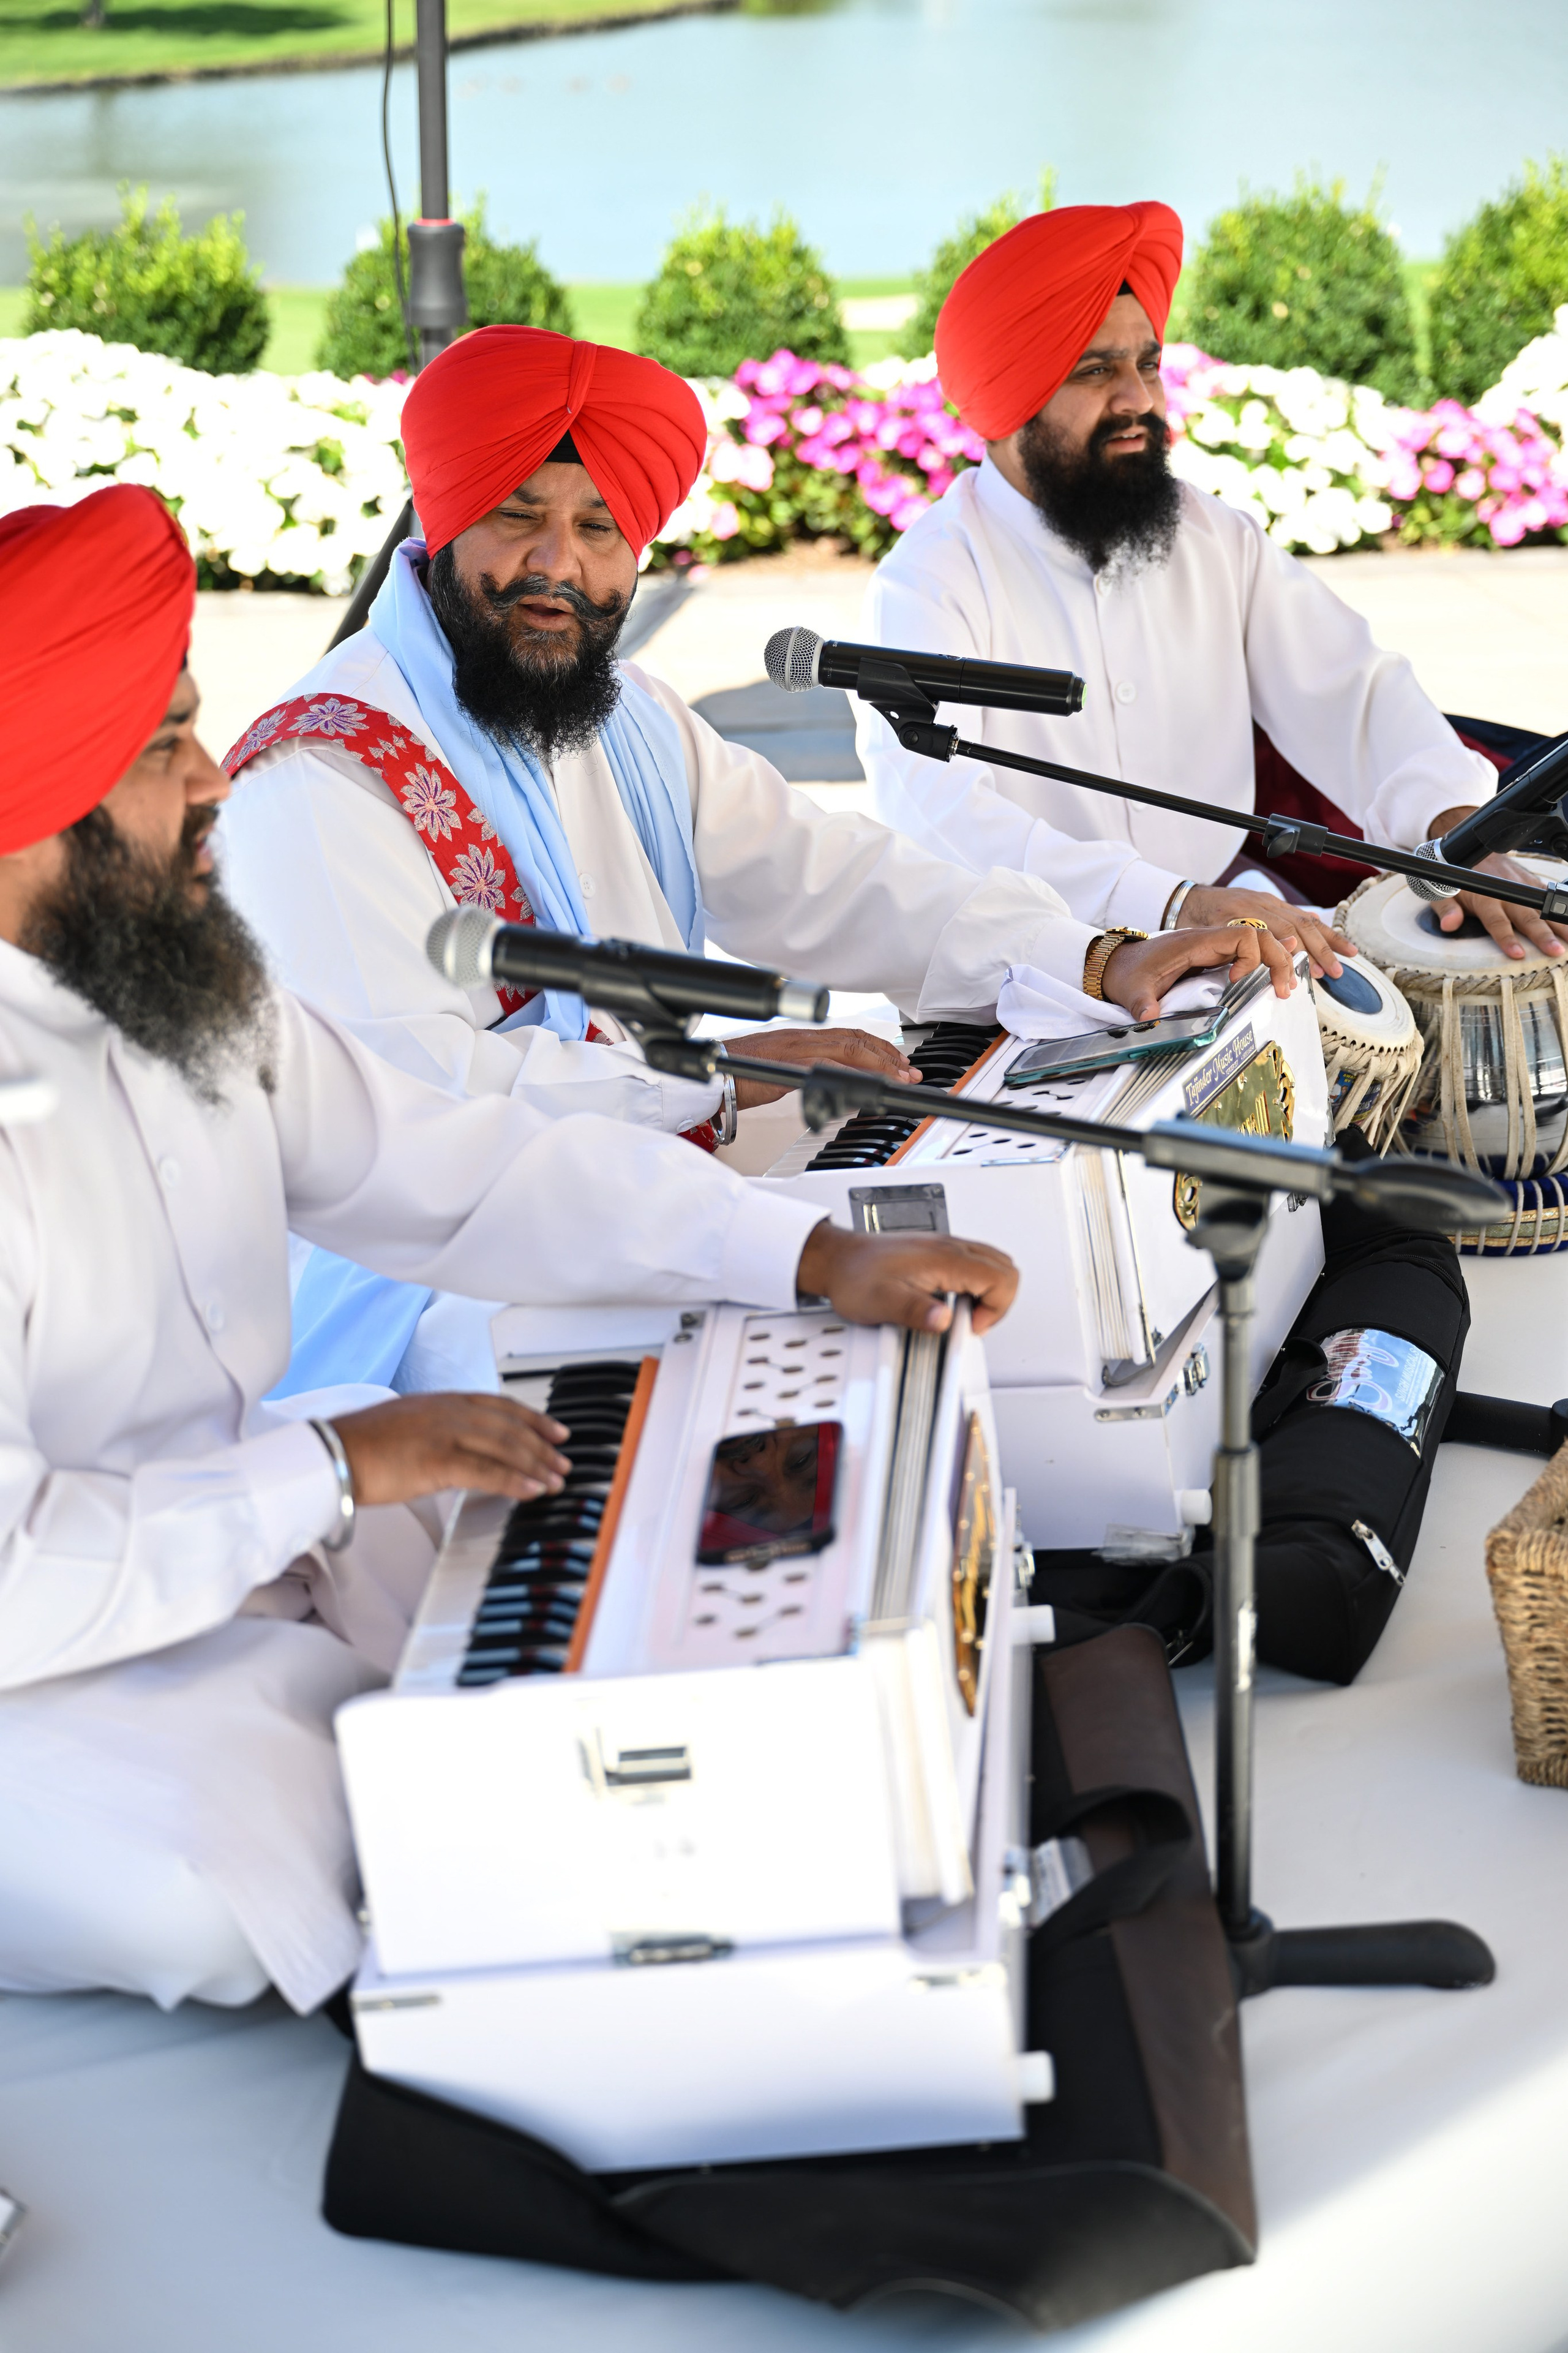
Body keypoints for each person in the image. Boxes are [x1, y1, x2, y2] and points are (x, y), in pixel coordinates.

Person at [0, 484, 1021, 2017]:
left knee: (588, 1545)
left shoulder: (177, 985)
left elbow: (446, 1169)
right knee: (227, 1876)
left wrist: (803, 1252)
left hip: (247, 1534)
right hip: (46, 1651)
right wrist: (336, 1467)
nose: (215, 776)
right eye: (160, 744)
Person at [216, 325, 1281, 1394]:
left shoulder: (625, 718)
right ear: (446, 520)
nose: (560, 567)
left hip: (644, 1201)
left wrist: (1091, 958)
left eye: (599, 527)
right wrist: (721, 1077)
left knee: (968, 1302)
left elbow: (827, 874)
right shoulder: (320, 779)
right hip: (417, 1311)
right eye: (518, 517)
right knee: (847, 1353)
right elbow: (413, 1110)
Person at [857, 201, 1563, 978]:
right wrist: (1166, 903)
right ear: (1010, 399)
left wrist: (1455, 830)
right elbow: (939, 813)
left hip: (1233, 921)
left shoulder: (1206, 533)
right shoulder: (929, 584)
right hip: (1032, 966)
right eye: (1095, 371)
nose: (1139, 400)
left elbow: (1346, 688)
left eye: (1147, 364)